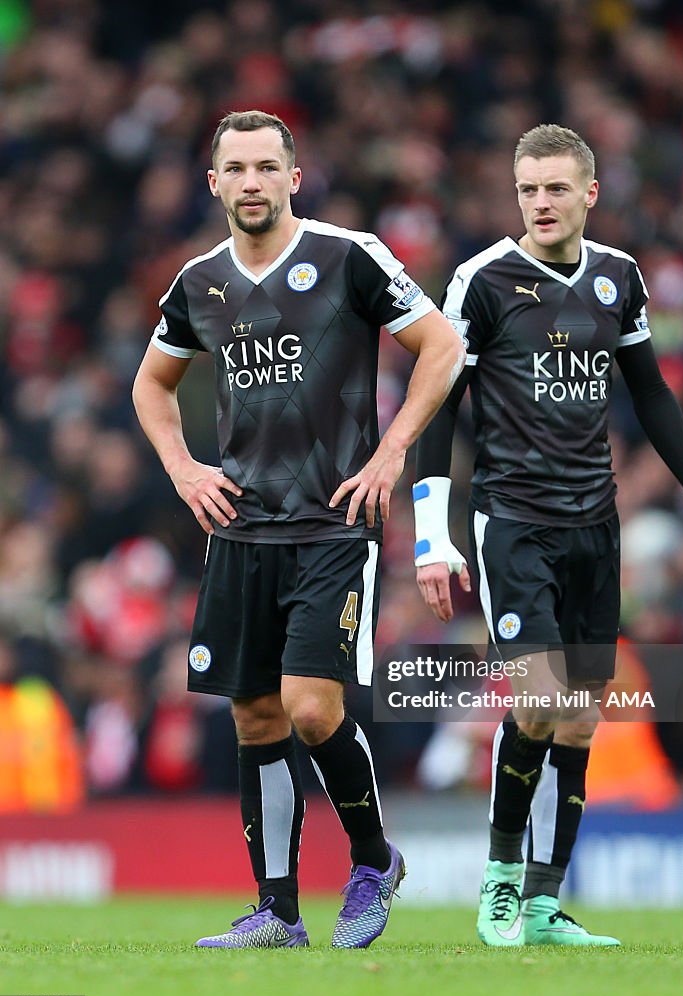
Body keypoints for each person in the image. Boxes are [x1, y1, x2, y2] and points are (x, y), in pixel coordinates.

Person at [132, 110, 465, 949]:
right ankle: (277, 910)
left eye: (264, 167)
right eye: (234, 169)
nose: (250, 182)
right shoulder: (198, 282)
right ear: (213, 184)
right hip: (239, 529)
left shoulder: (347, 257)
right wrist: (183, 469)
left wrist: (391, 454)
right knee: (253, 718)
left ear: (293, 174)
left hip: (332, 522)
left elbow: (441, 345)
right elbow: (151, 386)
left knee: (311, 709)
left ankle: (372, 861)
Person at [412, 124, 683, 947]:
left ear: (589, 192)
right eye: (527, 189)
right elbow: (439, 406)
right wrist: (429, 537)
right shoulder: (481, 282)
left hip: (596, 522)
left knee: (583, 720)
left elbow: (651, 395)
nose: (540, 203)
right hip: (513, 520)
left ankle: (548, 905)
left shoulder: (617, 279)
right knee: (541, 700)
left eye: (555, 188)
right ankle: (499, 885)